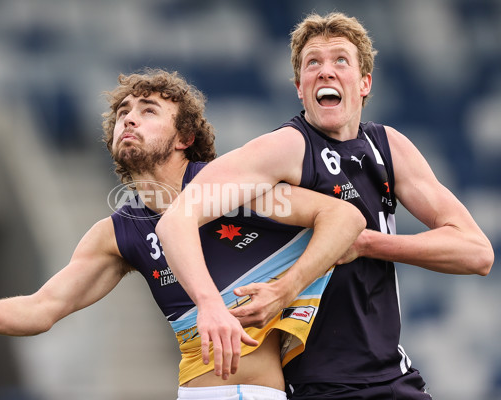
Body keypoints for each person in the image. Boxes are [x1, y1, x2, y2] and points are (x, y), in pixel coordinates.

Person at [0, 69, 365, 400]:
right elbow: (44, 307)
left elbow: (345, 218)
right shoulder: (116, 233)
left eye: (148, 112)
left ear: (185, 136)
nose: (129, 119)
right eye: (123, 113)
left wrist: (284, 288)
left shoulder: (234, 189)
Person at [155, 12, 495, 400]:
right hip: (316, 383)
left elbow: (476, 253)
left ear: (364, 83)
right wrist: (209, 306)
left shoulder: (388, 147)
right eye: (312, 63)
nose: (325, 71)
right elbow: (177, 217)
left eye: (340, 61)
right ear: (299, 87)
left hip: (393, 377)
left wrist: (366, 243)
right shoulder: (285, 148)